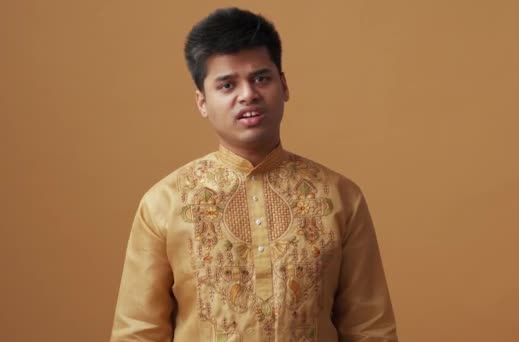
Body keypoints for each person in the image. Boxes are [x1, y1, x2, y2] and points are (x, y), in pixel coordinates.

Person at [111, 7, 397, 342]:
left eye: (261, 78)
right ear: (202, 102)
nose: (248, 94)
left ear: (284, 85)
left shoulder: (339, 197)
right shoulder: (165, 203)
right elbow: (138, 333)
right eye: (227, 84)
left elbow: (370, 329)